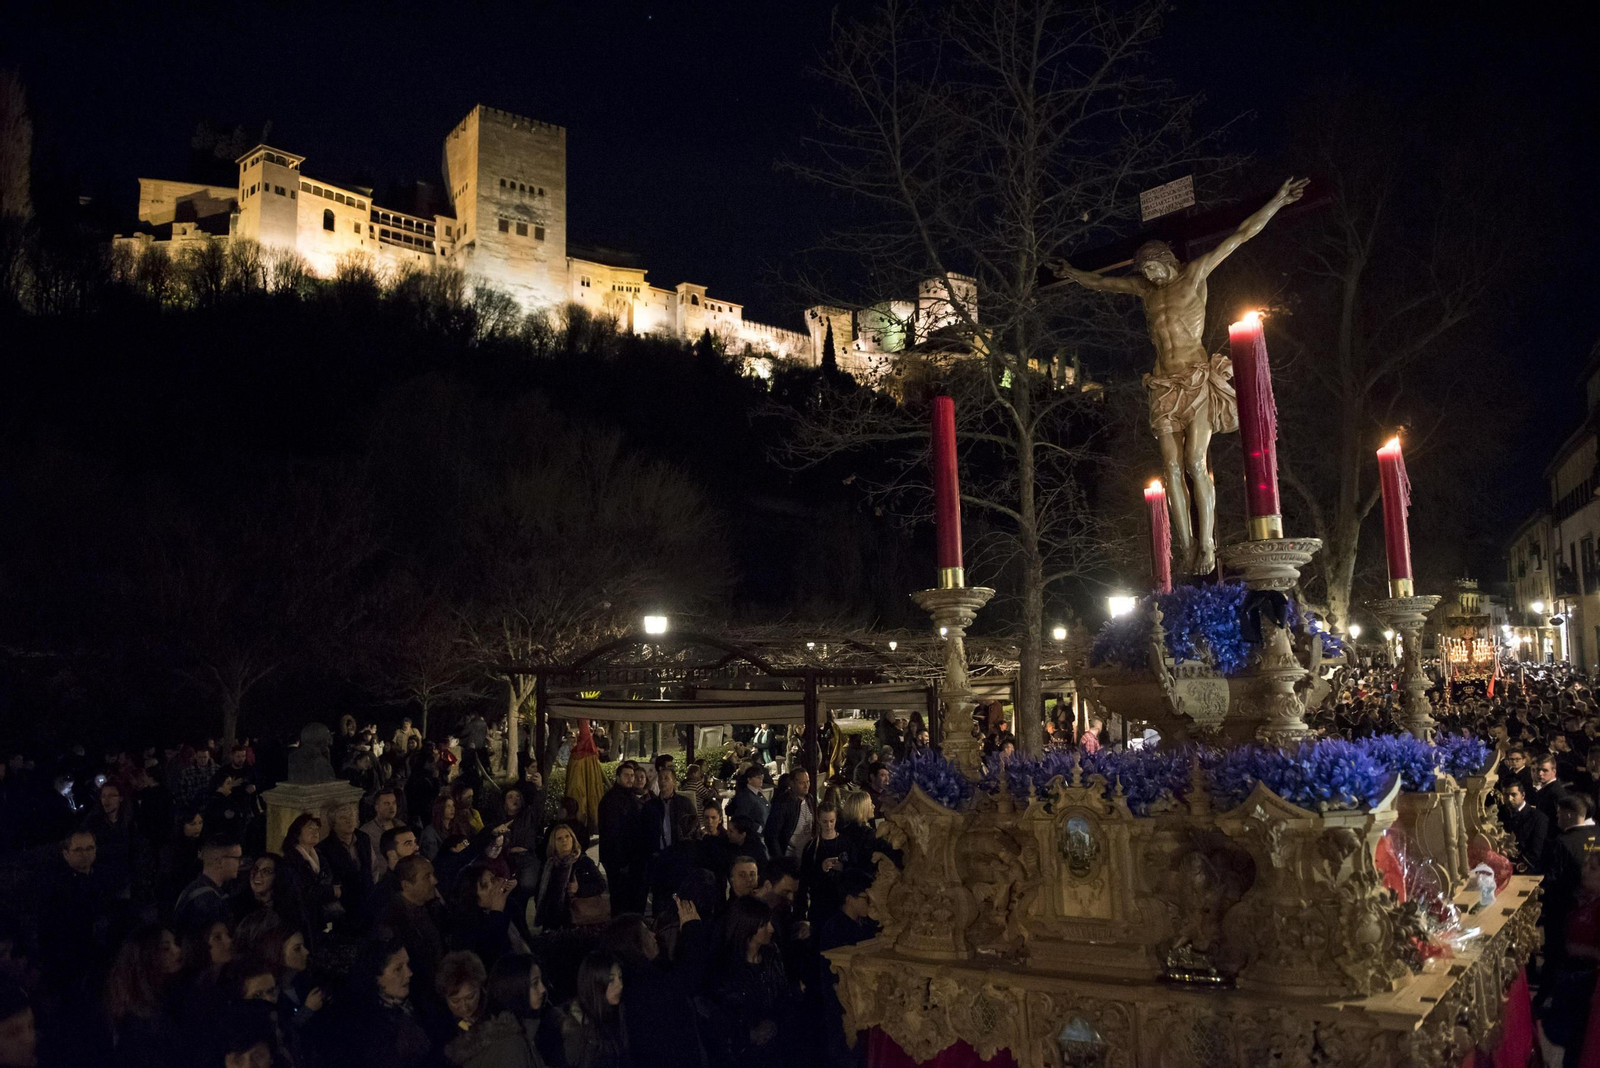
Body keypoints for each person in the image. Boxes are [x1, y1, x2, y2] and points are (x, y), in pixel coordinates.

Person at [601, 901, 708, 1068]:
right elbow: (686, 978)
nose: (653, 935)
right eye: (646, 933)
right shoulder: (642, 985)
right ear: (634, 944)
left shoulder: (648, 973)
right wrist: (691, 929)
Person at [319, 938, 433, 1068]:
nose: (409, 973)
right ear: (376, 978)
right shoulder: (361, 1027)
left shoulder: (419, 1004)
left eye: (408, 965)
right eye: (398, 969)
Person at [713, 896, 796, 1066]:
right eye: (764, 924)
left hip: (776, 1050)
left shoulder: (772, 954)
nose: (771, 928)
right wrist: (748, 1034)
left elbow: (783, 995)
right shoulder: (726, 966)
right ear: (748, 926)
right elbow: (721, 1016)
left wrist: (774, 1023)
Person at [103, 924, 184, 1068]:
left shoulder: (168, 994)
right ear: (147, 956)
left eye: (175, 944)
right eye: (166, 948)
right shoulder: (140, 1017)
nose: (177, 950)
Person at [381, 856, 447, 998]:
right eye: (426, 877)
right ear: (406, 885)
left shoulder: (431, 906)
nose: (434, 881)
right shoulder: (393, 920)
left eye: (433, 875)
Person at [532, 823, 606, 933]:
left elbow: (601, 885)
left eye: (567, 836)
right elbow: (539, 893)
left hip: (579, 921)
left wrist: (579, 889)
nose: (564, 841)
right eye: (559, 838)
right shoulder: (549, 865)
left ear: (573, 839)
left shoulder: (583, 862)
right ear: (554, 844)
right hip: (553, 921)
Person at [561, 950, 628, 1068]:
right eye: (611, 980)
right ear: (595, 984)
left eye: (620, 977)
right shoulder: (577, 1030)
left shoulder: (617, 1013)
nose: (620, 985)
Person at [84, 779, 149, 903]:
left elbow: (137, 850)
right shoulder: (92, 823)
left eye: (111, 795)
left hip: (123, 879)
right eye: (103, 796)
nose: (106, 800)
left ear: (120, 798)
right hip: (100, 879)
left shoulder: (129, 823)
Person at [451, 865, 524, 969]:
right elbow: (488, 958)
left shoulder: (510, 906)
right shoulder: (467, 925)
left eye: (493, 879)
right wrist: (497, 913)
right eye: (484, 886)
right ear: (472, 896)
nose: (493, 886)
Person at [598, 763, 645, 914]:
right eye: (626, 775)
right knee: (621, 899)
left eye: (632, 775)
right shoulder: (612, 800)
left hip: (628, 858)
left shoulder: (629, 796)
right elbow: (613, 833)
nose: (631, 779)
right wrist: (621, 861)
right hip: (619, 860)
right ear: (618, 777)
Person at [281, 814, 342, 931]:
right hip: (303, 915)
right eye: (310, 828)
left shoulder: (319, 854)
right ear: (297, 833)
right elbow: (301, 890)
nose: (315, 832)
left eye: (317, 829)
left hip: (322, 912)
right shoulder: (292, 859)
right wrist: (331, 891)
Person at [319, 803, 374, 929]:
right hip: (346, 906)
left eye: (351, 816)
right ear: (333, 823)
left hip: (368, 899)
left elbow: (371, 868)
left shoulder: (363, 838)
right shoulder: (324, 848)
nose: (349, 820)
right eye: (343, 818)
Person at [174, 836, 242, 935]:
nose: (241, 862)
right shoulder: (207, 900)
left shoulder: (195, 889)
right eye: (237, 858)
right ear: (220, 862)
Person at [800, 803, 850, 925]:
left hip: (842, 901)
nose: (829, 825)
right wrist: (821, 868)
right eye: (825, 821)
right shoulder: (811, 847)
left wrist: (843, 868)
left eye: (832, 821)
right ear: (818, 820)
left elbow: (855, 870)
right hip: (820, 903)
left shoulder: (846, 843)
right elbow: (805, 878)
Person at [765, 768, 816, 863]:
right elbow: (771, 835)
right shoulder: (783, 803)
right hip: (790, 856)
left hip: (806, 852)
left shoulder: (809, 799)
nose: (806, 786)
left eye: (808, 782)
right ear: (792, 784)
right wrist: (780, 859)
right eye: (802, 783)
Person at [1499, 782, 1550, 875]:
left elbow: (1536, 851)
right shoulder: (1499, 814)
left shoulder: (1538, 818)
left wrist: (1514, 864)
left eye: (1513, 795)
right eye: (1506, 795)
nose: (1509, 799)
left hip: (1524, 871)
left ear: (1523, 795)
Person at [372, 825, 421, 915]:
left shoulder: (420, 879)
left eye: (415, 842)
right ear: (392, 855)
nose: (417, 847)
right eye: (408, 843)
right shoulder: (385, 893)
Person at [362, 787, 406, 881]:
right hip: (382, 878)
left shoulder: (401, 826)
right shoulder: (367, 831)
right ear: (377, 807)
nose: (392, 807)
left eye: (394, 803)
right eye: (387, 804)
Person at [727, 766, 770, 836]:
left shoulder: (757, 793)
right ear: (749, 780)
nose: (761, 779)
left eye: (761, 777)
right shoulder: (745, 796)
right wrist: (759, 828)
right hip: (754, 835)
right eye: (757, 777)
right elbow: (742, 817)